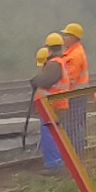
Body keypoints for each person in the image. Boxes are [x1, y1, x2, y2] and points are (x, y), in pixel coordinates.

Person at [30, 33, 70, 174]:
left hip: (52, 105)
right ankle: (57, 161)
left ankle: (54, 164)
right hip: (56, 104)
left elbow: (47, 81)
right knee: (55, 134)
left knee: (49, 135)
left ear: (48, 48)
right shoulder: (60, 62)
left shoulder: (54, 64)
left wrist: (36, 81)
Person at [61, 22, 89, 155]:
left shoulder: (74, 56)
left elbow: (69, 80)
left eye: (66, 35)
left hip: (75, 96)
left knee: (73, 125)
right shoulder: (73, 52)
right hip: (77, 95)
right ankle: (76, 152)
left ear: (73, 38)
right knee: (75, 124)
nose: (63, 38)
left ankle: (76, 154)